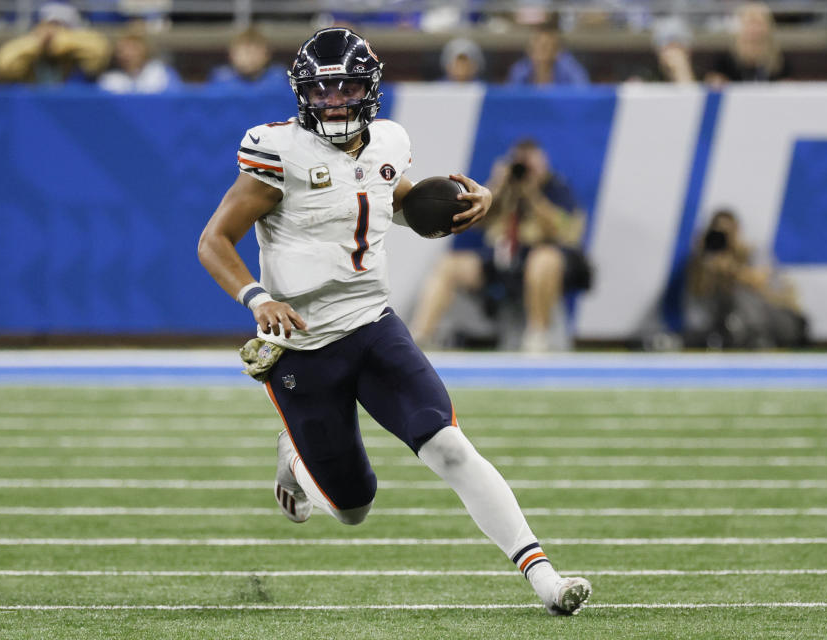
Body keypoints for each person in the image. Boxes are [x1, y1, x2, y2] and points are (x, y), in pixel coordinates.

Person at [197, 28, 592, 616]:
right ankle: (297, 458)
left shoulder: (387, 142)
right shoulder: (276, 151)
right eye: (323, 92)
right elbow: (213, 241)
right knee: (354, 505)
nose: (334, 103)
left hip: (373, 325)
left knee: (451, 447)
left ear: (370, 88)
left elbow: (397, 201)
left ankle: (545, 577)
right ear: (303, 93)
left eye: (347, 88)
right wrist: (257, 298)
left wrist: (468, 203)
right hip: (303, 345)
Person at [410, 139, 590, 352]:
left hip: (541, 261)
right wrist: (496, 186)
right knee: (449, 264)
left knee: (543, 259)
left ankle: (538, 336)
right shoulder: (505, 190)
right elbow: (477, 222)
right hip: (503, 260)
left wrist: (532, 194)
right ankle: (420, 337)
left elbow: (561, 230)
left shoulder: (557, 189)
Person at [683, 209, 808, 349]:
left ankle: (757, 337)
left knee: (739, 292)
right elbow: (698, 293)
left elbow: (759, 281)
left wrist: (731, 268)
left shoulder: (752, 252)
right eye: (718, 233)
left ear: (737, 231)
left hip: (780, 319)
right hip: (736, 326)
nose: (723, 238)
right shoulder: (707, 259)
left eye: (727, 233)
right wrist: (704, 265)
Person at [0, 2, 110, 85]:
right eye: (46, 25)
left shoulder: (80, 54)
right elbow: (3, 65)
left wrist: (60, 42)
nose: (51, 31)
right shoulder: (28, 53)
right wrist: (37, 42)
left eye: (58, 26)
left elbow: (100, 52)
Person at [705, 2, 791, 85]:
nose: (753, 30)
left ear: (768, 27)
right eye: (749, 24)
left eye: (758, 24)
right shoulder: (725, 60)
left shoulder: (779, 61)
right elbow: (712, 81)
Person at [98, 24, 182, 94]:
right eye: (122, 50)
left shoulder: (161, 73)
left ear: (144, 50)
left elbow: (175, 102)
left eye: (132, 49)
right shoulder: (109, 79)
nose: (127, 54)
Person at [506, 23, 589, 85]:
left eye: (545, 46)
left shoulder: (571, 69)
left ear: (556, 50)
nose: (539, 50)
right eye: (535, 45)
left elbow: (582, 96)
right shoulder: (520, 70)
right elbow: (510, 101)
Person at [206, 26, 284, 90]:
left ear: (267, 55)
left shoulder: (278, 78)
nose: (249, 58)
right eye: (245, 52)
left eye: (255, 52)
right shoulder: (221, 78)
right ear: (231, 55)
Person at [629, 15, 696, 83]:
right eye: (666, 49)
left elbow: (687, 88)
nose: (670, 54)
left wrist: (681, 70)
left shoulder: (701, 85)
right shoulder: (649, 75)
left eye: (675, 47)